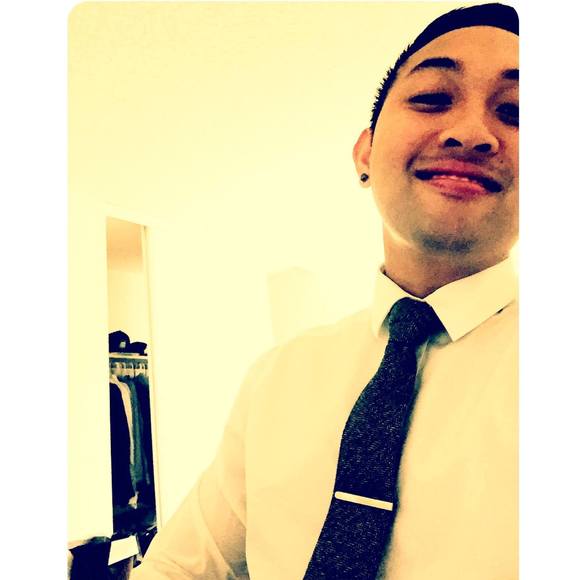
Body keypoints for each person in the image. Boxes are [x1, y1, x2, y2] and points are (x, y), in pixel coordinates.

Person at [132, 3, 519, 579]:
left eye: (517, 112)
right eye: (432, 98)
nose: (470, 133)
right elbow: (182, 567)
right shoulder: (278, 376)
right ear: (365, 153)